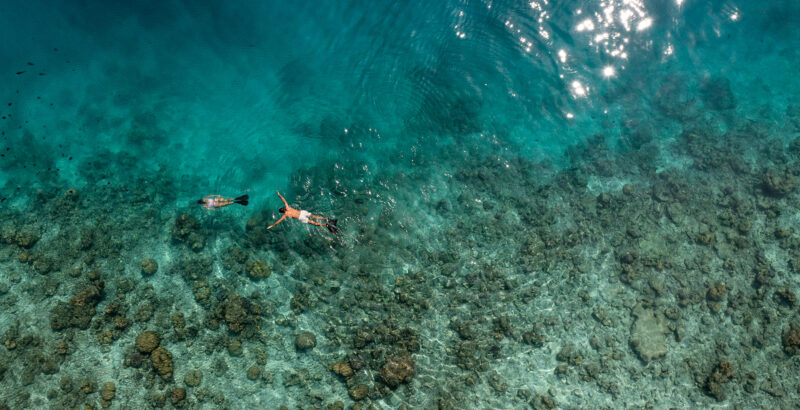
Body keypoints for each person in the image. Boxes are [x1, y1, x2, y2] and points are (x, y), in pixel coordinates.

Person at [267, 191, 338, 233]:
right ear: (283, 208)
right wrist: (279, 194)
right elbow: (283, 199)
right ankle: (326, 219)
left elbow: (278, 222)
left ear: (282, 212)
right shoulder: (287, 207)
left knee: (313, 223)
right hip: (302, 212)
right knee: (313, 216)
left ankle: (325, 224)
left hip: (300, 217)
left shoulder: (285, 215)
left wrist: (271, 226)